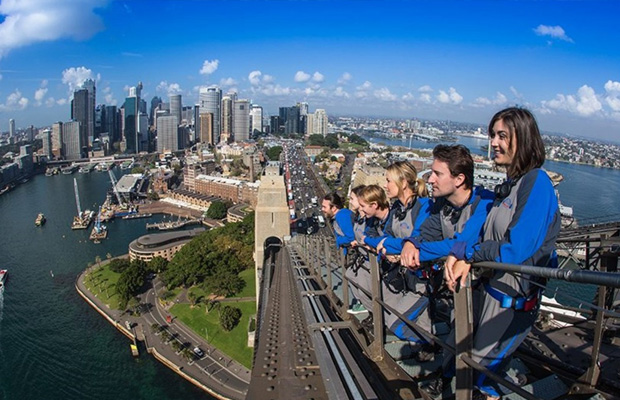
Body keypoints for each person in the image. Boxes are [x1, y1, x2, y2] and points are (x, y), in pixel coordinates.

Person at [441, 108, 561, 399]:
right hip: (492, 298)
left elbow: (515, 249)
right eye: (492, 135)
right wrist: (458, 254)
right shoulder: (509, 188)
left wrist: (471, 256)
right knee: (467, 371)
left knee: (479, 378)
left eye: (502, 136)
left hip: (513, 305)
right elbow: (479, 233)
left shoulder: (537, 183)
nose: (493, 142)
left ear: (525, 139)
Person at [399, 144, 495, 361]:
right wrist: (411, 242)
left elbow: (456, 245)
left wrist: (416, 250)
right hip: (461, 285)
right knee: (460, 334)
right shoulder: (443, 206)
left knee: (474, 345)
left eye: (437, 174)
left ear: (459, 179)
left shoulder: (485, 203)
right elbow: (426, 233)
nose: (430, 179)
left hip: (487, 288)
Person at [359, 161, 432, 343]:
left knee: (396, 324)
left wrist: (390, 245)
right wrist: (388, 247)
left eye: (389, 180)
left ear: (403, 183)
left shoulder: (423, 207)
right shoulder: (397, 210)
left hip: (423, 280)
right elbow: (384, 239)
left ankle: (432, 346)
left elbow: (418, 240)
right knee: (422, 323)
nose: (385, 185)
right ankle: (427, 349)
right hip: (407, 277)